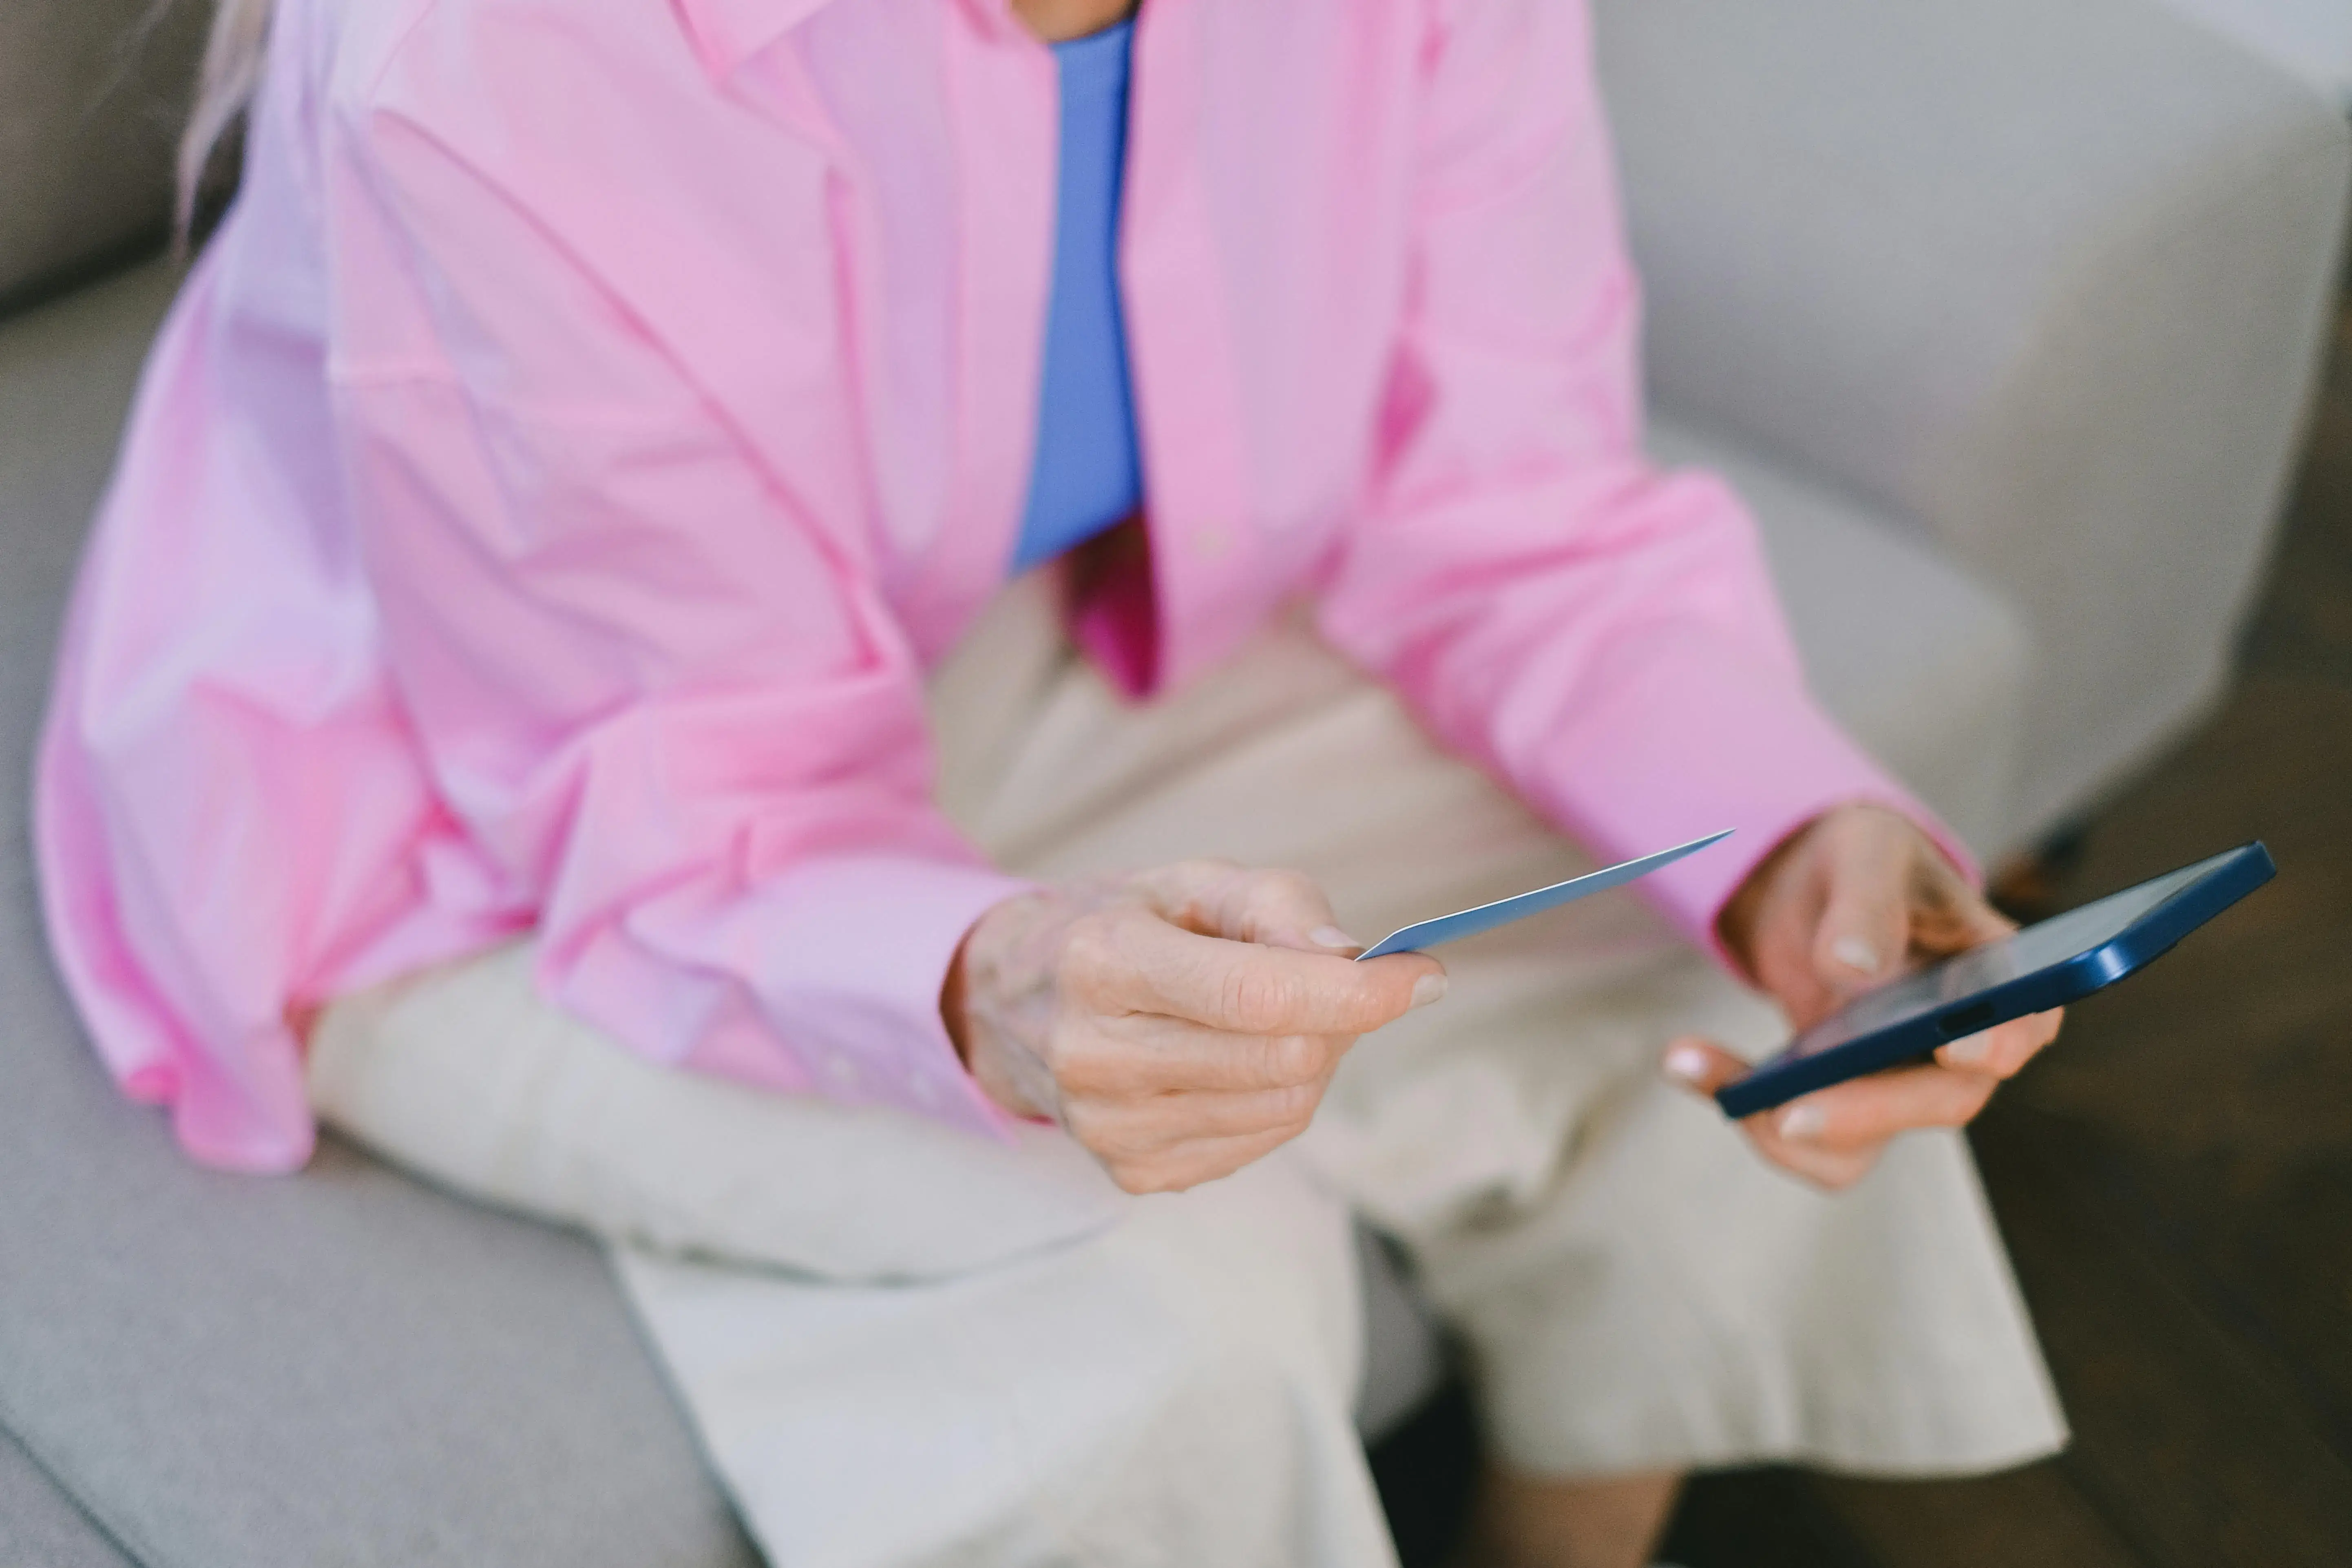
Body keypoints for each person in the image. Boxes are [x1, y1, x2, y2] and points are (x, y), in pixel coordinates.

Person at [36, 0, 2069, 1562]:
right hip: (443, 835)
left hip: (935, 641)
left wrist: (1798, 830)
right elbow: (660, 789)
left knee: (1703, 913)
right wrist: (993, 990)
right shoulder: (503, 53)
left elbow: (1499, 491)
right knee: (1173, 1263)